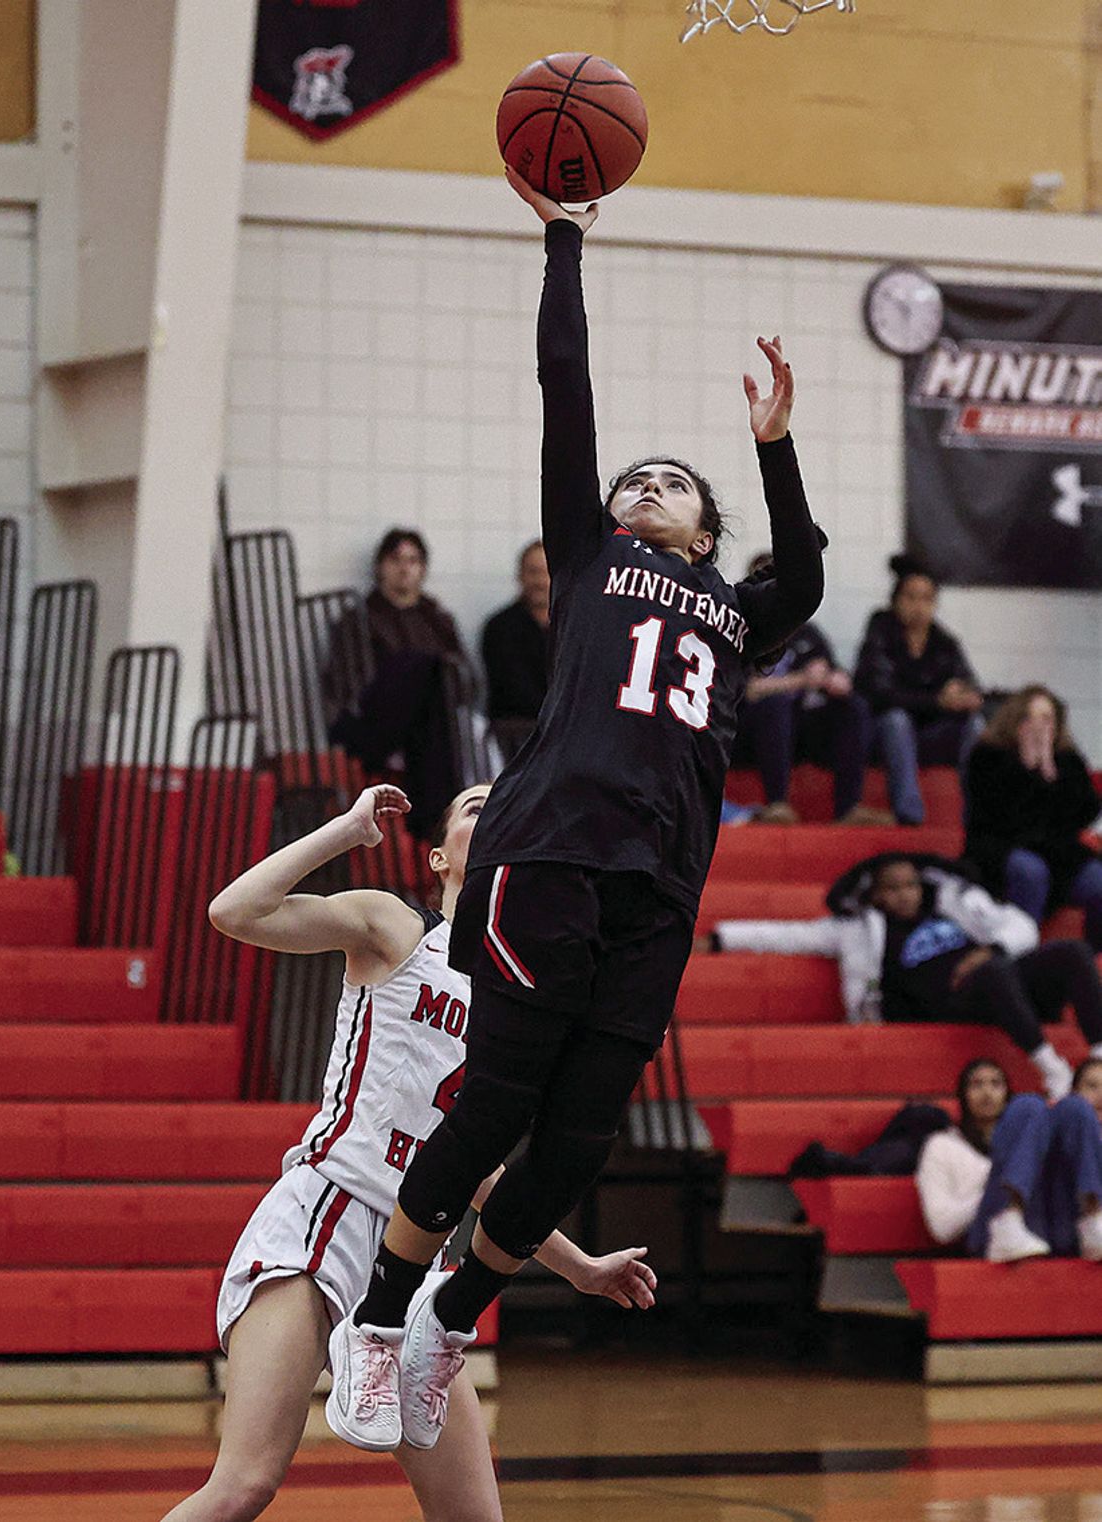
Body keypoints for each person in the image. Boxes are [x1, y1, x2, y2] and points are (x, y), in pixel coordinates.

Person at [331, 166, 824, 1453]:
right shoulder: (596, 560)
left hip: (659, 887)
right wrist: (564, 239)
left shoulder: (737, 609)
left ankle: (451, 1316)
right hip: (545, 852)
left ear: (711, 530)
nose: (645, 483)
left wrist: (775, 443)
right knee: (495, 1106)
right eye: (635, 480)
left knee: (580, 1139)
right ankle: (376, 1322)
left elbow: (808, 572)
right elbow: (569, 388)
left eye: (674, 480)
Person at [159, 781, 657, 1521]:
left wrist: (579, 1267)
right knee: (245, 1485)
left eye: (507, 810)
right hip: (323, 1218)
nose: (495, 816)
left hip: (412, 1257)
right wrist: (347, 831)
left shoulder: (521, 998)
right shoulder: (395, 926)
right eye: (475, 807)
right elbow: (234, 912)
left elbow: (480, 1175)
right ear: (437, 856)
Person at [712, 852, 1102, 1099]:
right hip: (950, 1001)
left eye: (911, 885)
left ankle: (1099, 1057)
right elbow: (789, 936)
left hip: (1000, 980)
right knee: (993, 974)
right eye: (892, 888)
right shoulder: (858, 929)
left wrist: (992, 949)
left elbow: (1019, 926)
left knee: (1072, 951)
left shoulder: (952, 906)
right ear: (876, 895)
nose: (904, 894)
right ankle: (1055, 1072)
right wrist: (721, 937)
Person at [328, 529, 468, 840]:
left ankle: (432, 823)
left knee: (437, 680)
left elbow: (465, 681)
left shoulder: (438, 620)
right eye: (395, 559)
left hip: (428, 729)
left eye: (413, 560)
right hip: (373, 725)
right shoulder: (358, 619)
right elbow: (347, 687)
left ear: (423, 568)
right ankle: (436, 823)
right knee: (425, 668)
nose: (404, 568)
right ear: (380, 566)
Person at [734, 551, 885, 826]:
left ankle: (849, 807)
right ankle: (777, 803)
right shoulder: (742, 630)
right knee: (775, 705)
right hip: (752, 729)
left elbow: (834, 673)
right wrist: (802, 680)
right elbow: (750, 690)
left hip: (800, 727)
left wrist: (836, 681)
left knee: (853, 706)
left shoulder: (808, 633)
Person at [916, 1058, 1102, 1262]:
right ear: (963, 1094)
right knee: (1029, 1104)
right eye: (976, 1084)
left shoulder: (1042, 1136)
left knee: (1075, 1107)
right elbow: (942, 1227)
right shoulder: (942, 1145)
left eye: (996, 1084)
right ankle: (1009, 1219)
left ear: (1006, 1092)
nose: (987, 1093)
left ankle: (1094, 1219)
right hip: (991, 1231)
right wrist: (992, 1188)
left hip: (1057, 1230)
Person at [965, 684, 1102, 947]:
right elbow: (994, 816)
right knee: (1030, 871)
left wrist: (1050, 772)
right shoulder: (988, 756)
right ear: (1015, 720)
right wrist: (1026, 769)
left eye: (1047, 719)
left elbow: (1086, 812)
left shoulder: (1067, 760)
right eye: (1030, 718)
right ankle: (1023, 952)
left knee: (1097, 879)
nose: (1039, 726)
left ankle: (1094, 959)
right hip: (1001, 848)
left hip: (1058, 852)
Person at [854, 554, 982, 826]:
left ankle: (978, 815)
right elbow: (880, 693)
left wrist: (963, 693)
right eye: (911, 597)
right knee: (896, 720)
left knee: (975, 725)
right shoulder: (881, 630)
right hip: (887, 737)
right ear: (896, 600)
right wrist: (938, 701)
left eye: (926, 598)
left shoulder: (944, 641)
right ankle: (909, 814)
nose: (918, 606)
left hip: (931, 736)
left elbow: (970, 683)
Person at [481, 540, 551, 760]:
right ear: (520, 576)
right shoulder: (500, 627)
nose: (540, 581)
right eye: (533, 572)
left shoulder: (576, 626)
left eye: (545, 572)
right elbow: (512, 690)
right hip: (512, 740)